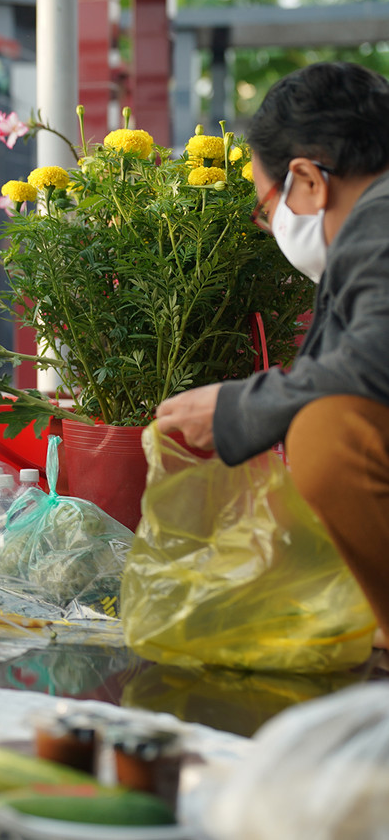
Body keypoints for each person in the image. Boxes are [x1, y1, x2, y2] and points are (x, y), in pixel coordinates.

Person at [155, 61, 389, 643]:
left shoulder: (378, 223)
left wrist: (237, 410)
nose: (272, 225)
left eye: (266, 206)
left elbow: (372, 360)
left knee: (328, 430)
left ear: (308, 179)